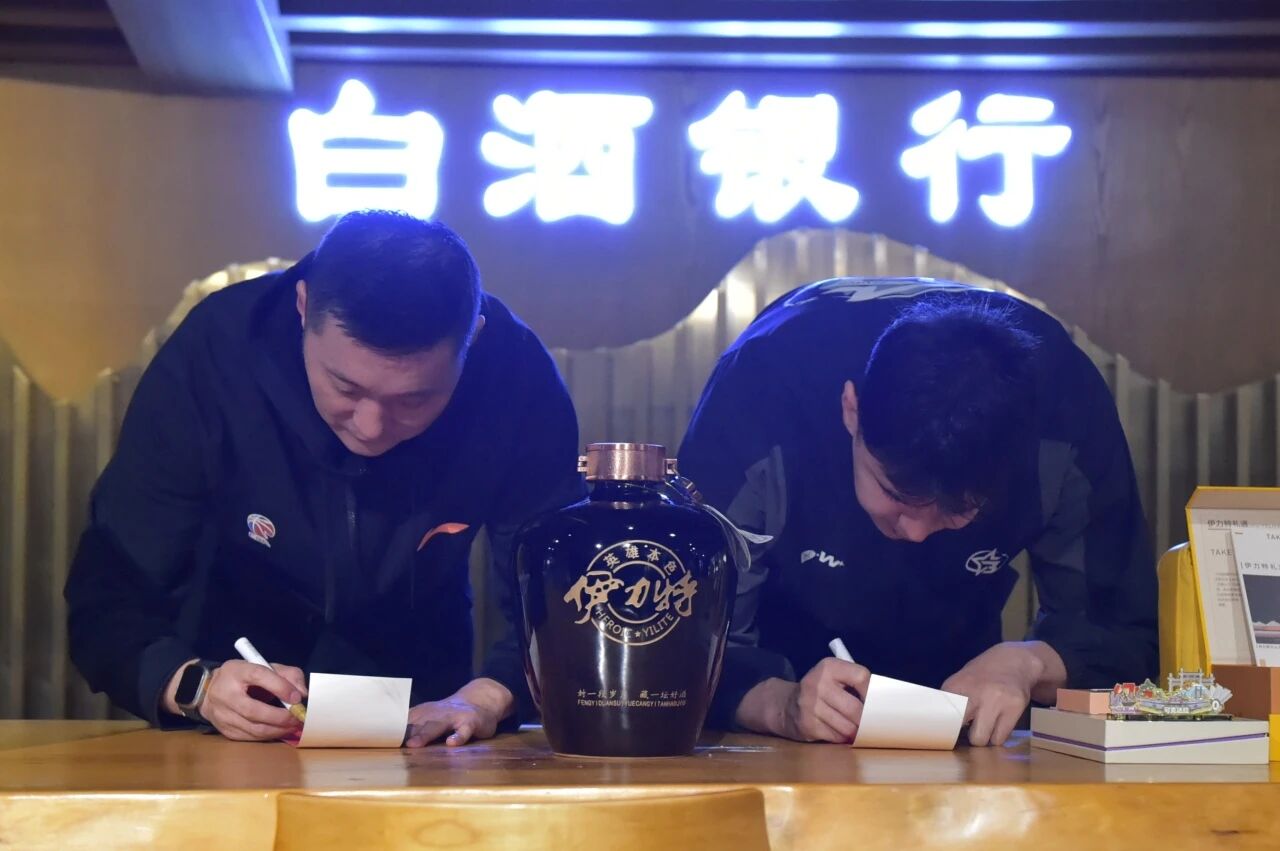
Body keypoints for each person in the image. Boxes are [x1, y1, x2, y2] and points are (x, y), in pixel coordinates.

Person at [65, 210, 582, 746]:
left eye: (414, 399)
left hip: (428, 720)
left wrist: (490, 695)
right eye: (346, 388)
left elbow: (565, 588)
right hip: (231, 712)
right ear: (303, 305)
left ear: (471, 338)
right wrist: (193, 685)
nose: (371, 426)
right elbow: (110, 589)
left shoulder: (514, 375)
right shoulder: (221, 350)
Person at [679, 277, 1157, 747]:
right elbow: (677, 645)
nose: (915, 533)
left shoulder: (1065, 414)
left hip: (959, 703)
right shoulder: (758, 395)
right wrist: (780, 705)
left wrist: (1026, 663)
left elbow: (1124, 634)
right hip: (782, 702)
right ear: (851, 410)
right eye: (894, 494)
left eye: (958, 512)